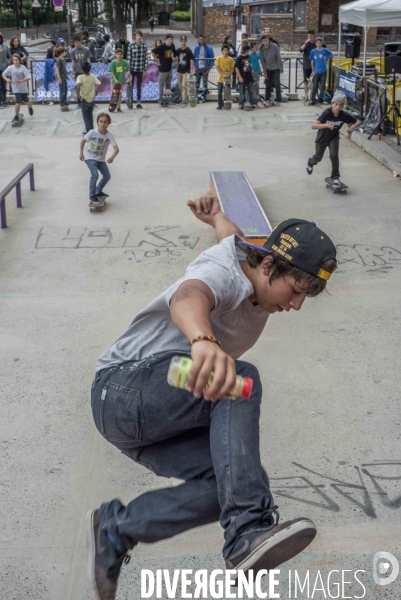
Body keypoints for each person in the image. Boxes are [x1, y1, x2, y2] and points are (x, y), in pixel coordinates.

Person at [86, 192, 337, 600]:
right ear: (269, 265)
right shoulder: (224, 271)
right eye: (295, 290)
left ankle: (115, 530)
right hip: (122, 389)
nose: (296, 304)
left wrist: (217, 217)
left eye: (306, 296)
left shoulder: (247, 255)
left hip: (153, 424)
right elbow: (190, 296)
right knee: (241, 379)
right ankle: (245, 535)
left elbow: (231, 235)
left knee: (235, 481)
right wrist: (202, 340)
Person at [307, 91, 361, 187]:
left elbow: (358, 121)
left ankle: (335, 177)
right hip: (322, 138)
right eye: (336, 104)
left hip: (334, 138)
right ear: (332, 103)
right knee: (318, 158)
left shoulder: (343, 115)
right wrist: (326, 125)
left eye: (340, 105)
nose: (337, 107)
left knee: (334, 156)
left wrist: (352, 127)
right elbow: (314, 126)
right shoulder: (327, 113)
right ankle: (310, 162)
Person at [79, 112, 119, 204]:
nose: (103, 124)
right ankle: (92, 194)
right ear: (97, 122)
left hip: (100, 159)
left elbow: (116, 149)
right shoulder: (92, 132)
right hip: (89, 157)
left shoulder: (109, 135)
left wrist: (112, 157)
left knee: (107, 176)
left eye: (105, 122)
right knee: (95, 175)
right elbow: (82, 141)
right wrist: (81, 153)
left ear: (108, 123)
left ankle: (98, 190)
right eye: (101, 121)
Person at [2, 53, 33, 123]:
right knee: (18, 101)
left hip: (23, 86)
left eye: (17, 60)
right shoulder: (11, 67)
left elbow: (28, 77)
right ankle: (16, 115)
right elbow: (3, 74)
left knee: (26, 99)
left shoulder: (23, 68)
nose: (15, 62)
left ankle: (30, 107)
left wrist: (21, 80)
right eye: (14, 60)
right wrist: (7, 80)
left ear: (19, 60)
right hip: (15, 87)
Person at [151, 33, 176, 107]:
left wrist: (173, 57)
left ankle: (167, 99)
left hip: (169, 68)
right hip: (162, 69)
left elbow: (174, 52)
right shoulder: (161, 46)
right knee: (161, 85)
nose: (170, 41)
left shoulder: (172, 45)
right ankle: (160, 99)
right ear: (166, 40)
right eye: (169, 40)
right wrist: (157, 60)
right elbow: (153, 52)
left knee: (168, 84)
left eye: (171, 40)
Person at [76, 62, 101, 134]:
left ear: (82, 70)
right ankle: (92, 130)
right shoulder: (92, 76)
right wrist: (96, 92)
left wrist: (79, 95)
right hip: (92, 98)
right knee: (90, 115)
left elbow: (78, 86)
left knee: (85, 117)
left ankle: (89, 132)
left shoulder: (80, 77)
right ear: (90, 69)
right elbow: (99, 84)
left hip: (84, 99)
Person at [259, 34, 283, 106]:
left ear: (268, 40)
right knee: (268, 84)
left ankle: (278, 99)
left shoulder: (274, 46)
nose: (265, 42)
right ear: (262, 42)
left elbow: (278, 57)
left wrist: (280, 67)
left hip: (275, 68)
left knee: (277, 84)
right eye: (263, 41)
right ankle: (267, 99)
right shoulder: (261, 49)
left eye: (266, 40)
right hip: (267, 68)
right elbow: (262, 61)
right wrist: (265, 72)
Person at [127, 30, 148, 109]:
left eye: (140, 36)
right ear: (135, 36)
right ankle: (130, 102)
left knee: (139, 86)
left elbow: (146, 58)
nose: (139, 37)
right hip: (132, 69)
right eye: (137, 35)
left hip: (140, 69)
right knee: (130, 86)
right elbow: (129, 59)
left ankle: (138, 102)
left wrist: (145, 70)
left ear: (142, 37)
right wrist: (128, 70)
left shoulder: (144, 46)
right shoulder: (131, 45)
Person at [308, 37, 333, 106]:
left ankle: (320, 99)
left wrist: (327, 59)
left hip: (323, 70)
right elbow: (312, 61)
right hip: (316, 71)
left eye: (320, 43)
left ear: (322, 43)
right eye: (317, 43)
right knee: (315, 86)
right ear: (316, 44)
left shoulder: (325, 50)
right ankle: (313, 99)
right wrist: (312, 70)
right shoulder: (313, 51)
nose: (319, 44)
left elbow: (331, 54)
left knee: (322, 86)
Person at [71, 35, 91, 107]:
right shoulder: (73, 51)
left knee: (86, 86)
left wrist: (88, 70)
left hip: (85, 71)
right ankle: (79, 101)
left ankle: (88, 101)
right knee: (78, 87)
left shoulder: (86, 50)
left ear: (80, 42)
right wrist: (73, 72)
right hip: (78, 71)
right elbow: (73, 62)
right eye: (75, 43)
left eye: (77, 43)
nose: (76, 45)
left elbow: (88, 60)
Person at [235, 43, 257, 110]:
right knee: (242, 91)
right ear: (246, 50)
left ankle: (253, 102)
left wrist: (252, 70)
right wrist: (240, 77)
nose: (249, 52)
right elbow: (236, 68)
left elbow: (249, 65)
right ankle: (241, 103)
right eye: (249, 51)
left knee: (251, 90)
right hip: (242, 77)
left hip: (249, 77)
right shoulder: (239, 58)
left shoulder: (248, 57)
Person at [109, 48, 130, 112]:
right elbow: (112, 72)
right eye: (118, 54)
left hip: (121, 81)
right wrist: (115, 80)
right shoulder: (113, 62)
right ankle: (112, 105)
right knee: (113, 94)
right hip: (114, 81)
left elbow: (128, 66)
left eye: (120, 54)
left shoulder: (123, 62)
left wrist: (128, 71)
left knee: (120, 94)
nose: (119, 56)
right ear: (115, 55)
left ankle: (119, 107)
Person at [176, 34, 194, 107]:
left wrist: (191, 70)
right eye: (182, 41)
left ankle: (185, 100)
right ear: (180, 42)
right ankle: (182, 99)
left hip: (186, 70)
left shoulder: (188, 50)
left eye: (184, 41)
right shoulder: (178, 50)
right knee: (181, 86)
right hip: (179, 70)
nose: (183, 43)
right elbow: (174, 56)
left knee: (184, 85)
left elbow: (191, 61)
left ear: (186, 42)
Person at [215, 44, 234, 110]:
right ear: (222, 51)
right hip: (220, 78)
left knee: (227, 93)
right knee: (220, 92)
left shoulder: (230, 59)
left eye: (227, 50)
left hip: (227, 79)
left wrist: (229, 74)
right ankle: (220, 104)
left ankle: (227, 104)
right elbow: (217, 67)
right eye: (224, 50)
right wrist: (222, 74)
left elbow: (232, 68)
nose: (225, 51)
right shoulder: (219, 58)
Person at [299, 30, 316, 101]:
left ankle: (312, 96)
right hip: (306, 65)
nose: (310, 38)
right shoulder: (305, 43)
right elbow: (300, 50)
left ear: (314, 36)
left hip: (315, 65)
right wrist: (306, 42)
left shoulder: (316, 43)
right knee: (306, 82)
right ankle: (306, 96)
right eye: (309, 36)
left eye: (312, 36)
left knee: (313, 82)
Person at [55, 46, 69, 111]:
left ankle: (64, 101)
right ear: (61, 53)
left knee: (65, 90)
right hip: (61, 78)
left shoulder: (63, 59)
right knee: (62, 91)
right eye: (64, 52)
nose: (65, 53)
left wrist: (66, 75)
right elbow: (57, 69)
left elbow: (64, 69)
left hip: (64, 77)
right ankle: (62, 103)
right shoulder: (59, 60)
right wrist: (59, 78)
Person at [249, 41, 263, 107]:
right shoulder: (249, 55)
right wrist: (251, 70)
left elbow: (258, 62)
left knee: (257, 86)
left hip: (257, 72)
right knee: (253, 86)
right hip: (252, 73)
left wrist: (260, 70)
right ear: (251, 48)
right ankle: (253, 99)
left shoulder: (257, 54)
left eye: (257, 47)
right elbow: (249, 64)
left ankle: (257, 98)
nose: (256, 48)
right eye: (255, 47)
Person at [0, 32, 11, 109]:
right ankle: (1, 102)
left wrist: (7, 63)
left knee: (4, 86)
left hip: (4, 69)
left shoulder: (5, 47)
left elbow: (10, 57)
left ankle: (4, 100)